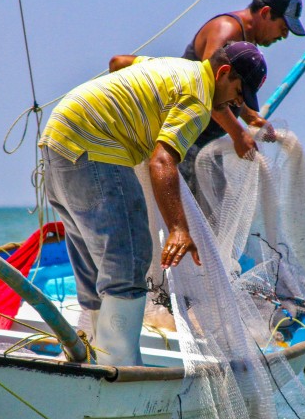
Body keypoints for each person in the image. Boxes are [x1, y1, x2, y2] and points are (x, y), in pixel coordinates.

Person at [39, 42, 268, 367]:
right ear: (224, 73)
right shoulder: (197, 100)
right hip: (95, 147)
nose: (236, 102)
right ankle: (119, 367)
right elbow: (161, 162)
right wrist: (178, 228)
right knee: (128, 259)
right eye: (238, 92)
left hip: (58, 139)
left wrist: (127, 107)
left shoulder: (173, 67)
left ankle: (87, 356)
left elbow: (119, 61)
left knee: (93, 260)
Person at [110, 0, 305, 195]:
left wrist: (251, 118)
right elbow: (210, 89)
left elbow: (228, 91)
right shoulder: (228, 30)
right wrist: (239, 136)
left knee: (214, 217)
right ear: (266, 13)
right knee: (198, 218)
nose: (284, 36)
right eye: (284, 28)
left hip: (203, 142)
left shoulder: (245, 40)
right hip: (183, 137)